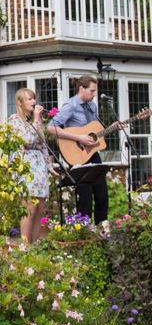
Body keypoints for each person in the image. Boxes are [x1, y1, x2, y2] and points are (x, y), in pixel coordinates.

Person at [47, 75, 108, 224]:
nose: (94, 94)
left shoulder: (92, 106)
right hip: (77, 155)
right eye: (92, 91)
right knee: (85, 197)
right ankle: (84, 232)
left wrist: (113, 128)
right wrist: (79, 138)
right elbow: (51, 127)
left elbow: (93, 130)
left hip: (92, 153)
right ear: (82, 89)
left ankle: (102, 230)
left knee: (102, 195)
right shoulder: (71, 106)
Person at [7, 88, 55, 243]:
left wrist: (49, 166)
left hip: (39, 167)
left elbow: (42, 145)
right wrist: (36, 120)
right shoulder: (14, 120)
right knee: (29, 209)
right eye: (29, 99)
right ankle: (24, 248)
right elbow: (27, 140)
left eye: (34, 99)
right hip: (24, 166)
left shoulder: (36, 121)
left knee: (40, 209)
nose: (33, 102)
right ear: (20, 103)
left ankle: (34, 247)